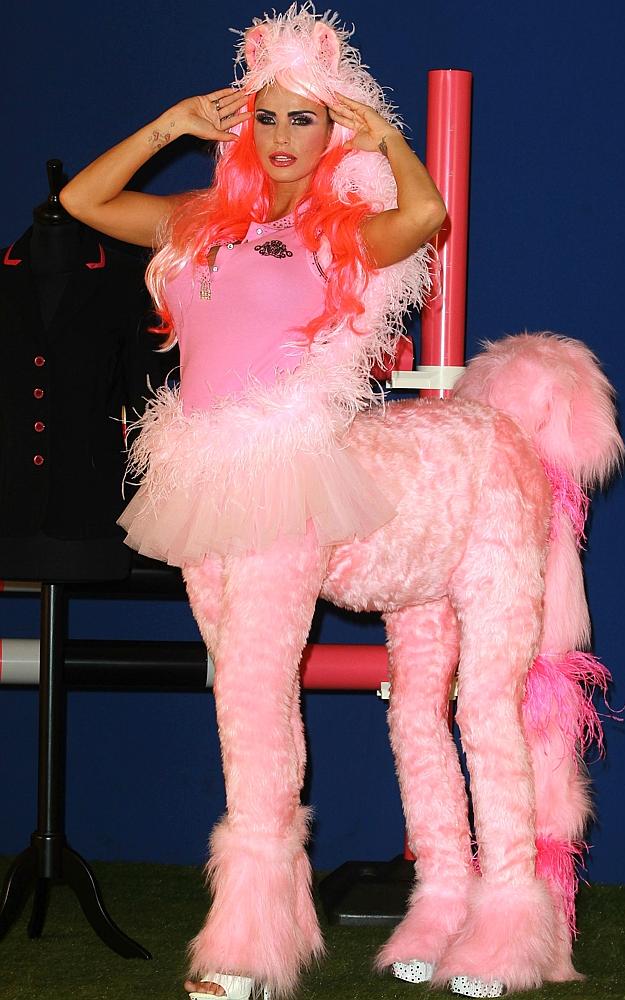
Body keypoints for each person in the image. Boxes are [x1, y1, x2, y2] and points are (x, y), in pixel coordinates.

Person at [60, 5, 445, 998]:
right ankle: (264, 935)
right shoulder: (196, 218)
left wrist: (383, 134)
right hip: (197, 480)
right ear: (245, 126)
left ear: (329, 132)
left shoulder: (341, 233)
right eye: (267, 119)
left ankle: (247, 947)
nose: (280, 138)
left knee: (251, 699)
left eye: (303, 121)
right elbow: (88, 204)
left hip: (284, 478)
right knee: (236, 691)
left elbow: (425, 218)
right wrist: (167, 126)